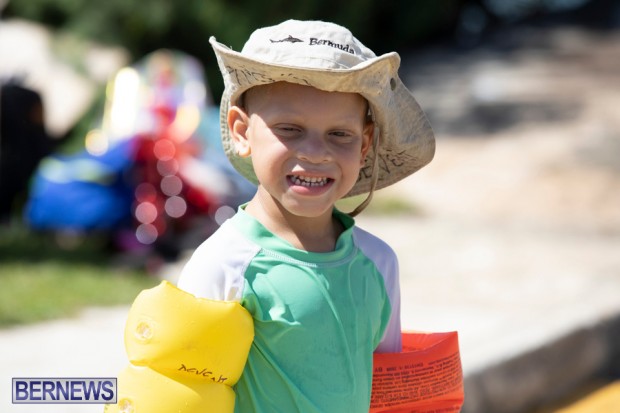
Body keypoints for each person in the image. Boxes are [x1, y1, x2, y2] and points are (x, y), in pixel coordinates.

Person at [176, 19, 436, 412]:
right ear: (242, 131)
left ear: (365, 144)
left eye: (340, 134)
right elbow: (185, 391)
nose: (315, 152)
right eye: (290, 129)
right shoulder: (224, 265)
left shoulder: (378, 263)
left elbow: (385, 391)